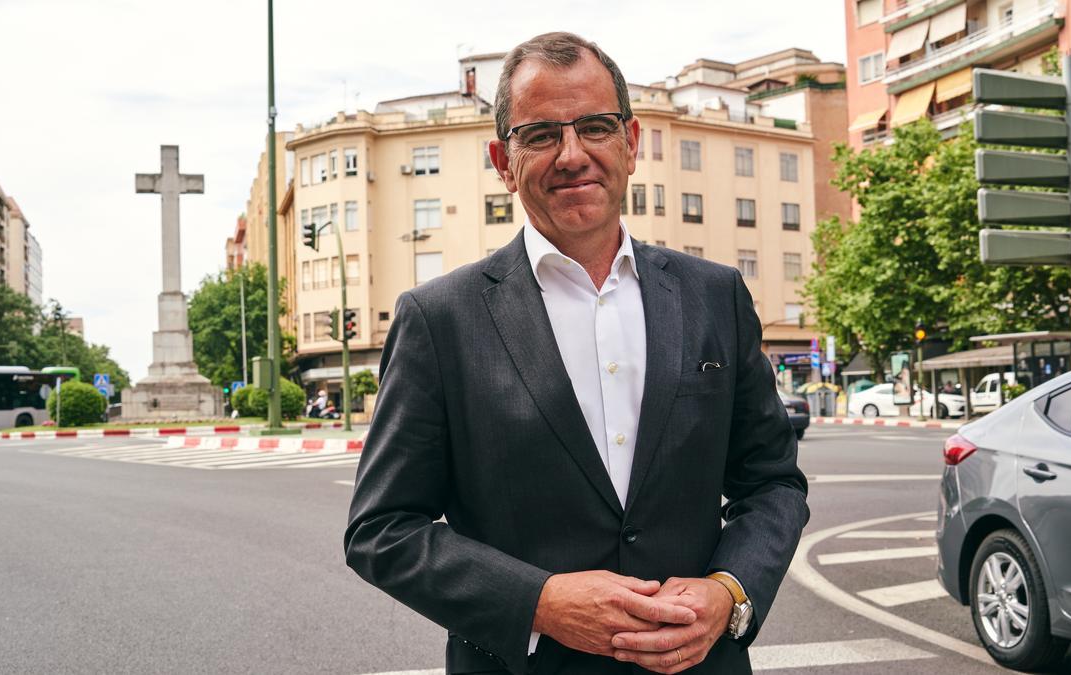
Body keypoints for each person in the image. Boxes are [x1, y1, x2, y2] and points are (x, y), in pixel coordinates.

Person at [345, 32, 808, 675]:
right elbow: (381, 529)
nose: (572, 155)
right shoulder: (439, 319)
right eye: (539, 135)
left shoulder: (715, 296)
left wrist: (729, 592)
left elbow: (772, 482)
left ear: (632, 143)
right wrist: (538, 601)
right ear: (502, 161)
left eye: (595, 126)